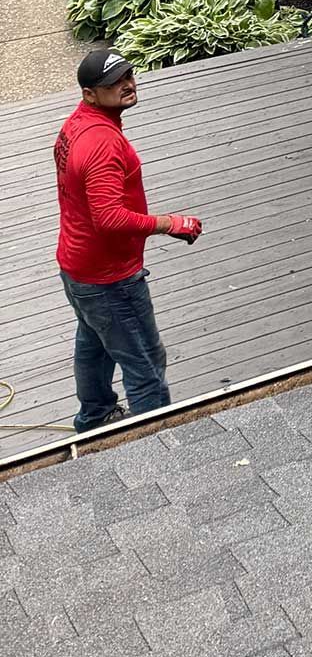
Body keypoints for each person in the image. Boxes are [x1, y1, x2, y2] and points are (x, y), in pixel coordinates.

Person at [53, 47, 201, 431]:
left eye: (128, 75)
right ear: (90, 94)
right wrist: (171, 223)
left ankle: (96, 416)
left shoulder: (75, 125)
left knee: (95, 345)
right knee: (146, 364)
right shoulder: (101, 144)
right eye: (113, 83)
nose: (127, 85)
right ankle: (156, 444)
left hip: (78, 268)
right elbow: (110, 218)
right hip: (109, 277)